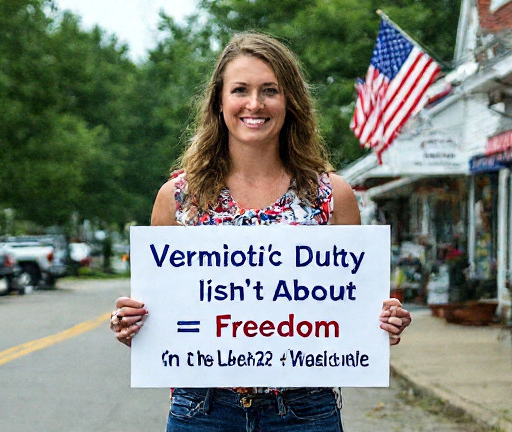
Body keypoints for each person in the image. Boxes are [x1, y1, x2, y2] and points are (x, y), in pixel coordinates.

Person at [110, 32, 411, 432]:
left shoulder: (332, 196)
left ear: (290, 102)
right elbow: (161, 313)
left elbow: (350, 309)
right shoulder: (178, 198)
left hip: (305, 410)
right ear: (220, 102)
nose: (255, 104)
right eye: (241, 90)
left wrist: (380, 322)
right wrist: (130, 325)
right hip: (202, 409)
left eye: (270, 90)